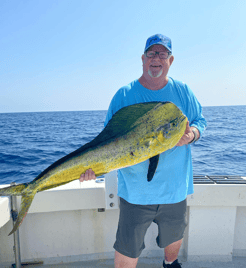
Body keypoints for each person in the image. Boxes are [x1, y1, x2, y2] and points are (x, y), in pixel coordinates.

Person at [79, 34, 207, 268]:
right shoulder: (124, 95)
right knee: (126, 252)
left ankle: (170, 264)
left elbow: (200, 120)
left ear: (171, 60)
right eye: (151, 53)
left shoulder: (184, 91)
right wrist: (92, 168)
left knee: (174, 240)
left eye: (162, 54)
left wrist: (192, 134)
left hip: (175, 190)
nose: (156, 58)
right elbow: (105, 140)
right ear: (142, 58)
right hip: (136, 193)